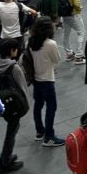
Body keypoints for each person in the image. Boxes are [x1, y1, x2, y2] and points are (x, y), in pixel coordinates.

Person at [0, 38, 26, 174]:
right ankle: (5, 159)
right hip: (14, 103)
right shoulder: (14, 67)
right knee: (12, 131)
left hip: (2, 102)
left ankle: (6, 157)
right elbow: (22, 86)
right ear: (12, 51)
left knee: (12, 129)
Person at [28, 16, 64, 147]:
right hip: (48, 79)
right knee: (51, 107)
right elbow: (56, 59)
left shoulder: (30, 41)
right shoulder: (50, 44)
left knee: (38, 105)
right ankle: (49, 136)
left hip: (36, 79)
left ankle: (39, 131)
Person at [60, 0, 86, 64]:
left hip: (64, 15)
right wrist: (80, 8)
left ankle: (69, 53)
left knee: (66, 33)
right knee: (81, 32)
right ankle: (79, 55)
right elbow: (76, 3)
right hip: (73, 14)